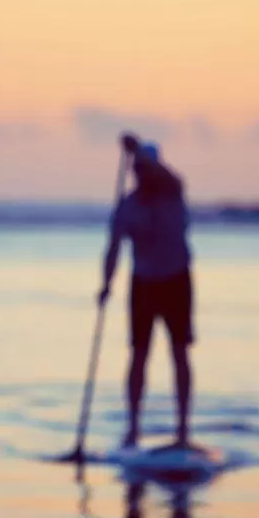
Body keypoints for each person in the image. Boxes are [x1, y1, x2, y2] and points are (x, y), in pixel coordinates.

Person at [98, 132, 195, 450]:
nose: (142, 175)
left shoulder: (173, 191)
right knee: (138, 355)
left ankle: (182, 430)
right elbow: (113, 248)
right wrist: (106, 284)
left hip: (177, 280)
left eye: (146, 168)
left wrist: (137, 150)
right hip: (144, 283)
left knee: (179, 353)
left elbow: (168, 176)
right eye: (136, 169)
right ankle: (133, 427)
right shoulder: (127, 207)